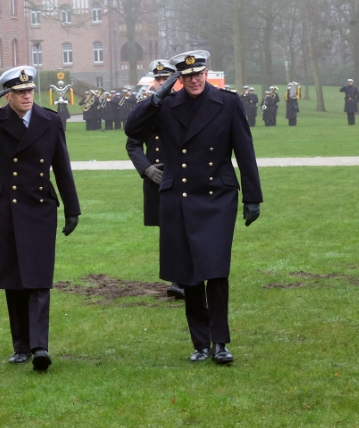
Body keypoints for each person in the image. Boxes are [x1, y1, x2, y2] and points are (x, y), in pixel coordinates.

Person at [125, 50, 263, 365]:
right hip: (180, 199)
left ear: (206, 72)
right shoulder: (167, 106)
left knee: (215, 271)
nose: (194, 79)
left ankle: (221, 342)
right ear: (179, 78)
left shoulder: (227, 103)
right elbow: (132, 130)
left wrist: (253, 196)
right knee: (188, 274)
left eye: (198, 73)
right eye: (186, 75)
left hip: (217, 197)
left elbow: (244, 150)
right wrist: (158, 94)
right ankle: (200, 343)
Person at [0, 66, 81, 371]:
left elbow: (61, 165)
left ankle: (40, 347)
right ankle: (21, 346)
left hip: (39, 207)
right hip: (4, 208)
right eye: (19, 92)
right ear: (7, 95)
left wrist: (72, 207)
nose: (26, 96)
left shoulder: (50, 120)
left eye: (29, 91)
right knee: (14, 279)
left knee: (38, 279)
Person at [125, 59, 185, 300]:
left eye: (166, 79)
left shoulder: (186, 105)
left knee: (183, 227)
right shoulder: (147, 108)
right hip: (158, 178)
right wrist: (147, 169)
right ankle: (177, 278)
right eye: (158, 79)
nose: (162, 83)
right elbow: (133, 143)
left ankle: (182, 278)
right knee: (169, 231)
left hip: (182, 176)